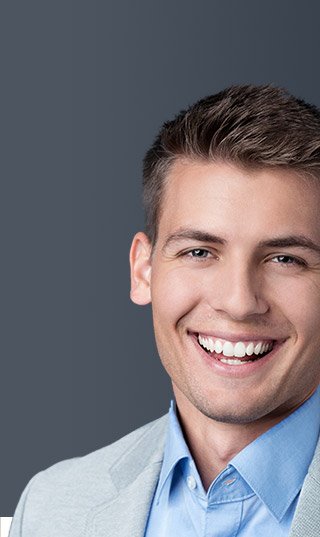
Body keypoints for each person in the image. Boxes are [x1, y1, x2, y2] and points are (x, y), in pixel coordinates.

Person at [10, 85, 320, 536]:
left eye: (285, 259)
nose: (237, 302)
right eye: (199, 252)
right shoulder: (50, 508)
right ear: (143, 270)